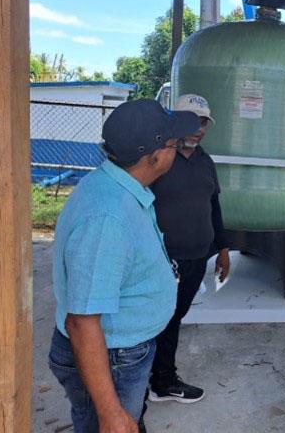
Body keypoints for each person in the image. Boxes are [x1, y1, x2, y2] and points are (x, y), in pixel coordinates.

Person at [49, 99, 200, 433]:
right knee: (107, 424)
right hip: (112, 355)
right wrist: (110, 413)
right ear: (156, 155)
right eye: (174, 144)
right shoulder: (107, 218)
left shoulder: (118, 187)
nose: (176, 151)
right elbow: (82, 322)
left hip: (121, 350)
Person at [146, 94, 230, 405]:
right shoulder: (157, 159)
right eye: (191, 121)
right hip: (163, 260)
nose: (198, 129)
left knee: (174, 317)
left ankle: (159, 380)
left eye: (203, 122)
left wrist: (222, 248)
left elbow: (214, 206)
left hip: (197, 258)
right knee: (158, 319)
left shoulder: (205, 161)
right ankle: (155, 380)